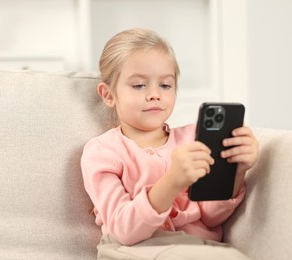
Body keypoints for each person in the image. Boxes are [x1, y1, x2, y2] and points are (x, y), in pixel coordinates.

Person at [81, 28, 259, 260]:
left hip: (197, 248)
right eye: (139, 85)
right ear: (108, 95)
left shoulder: (193, 139)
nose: (155, 94)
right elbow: (123, 230)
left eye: (165, 85)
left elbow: (210, 218)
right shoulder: (102, 152)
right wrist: (173, 181)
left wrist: (236, 170)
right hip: (131, 251)